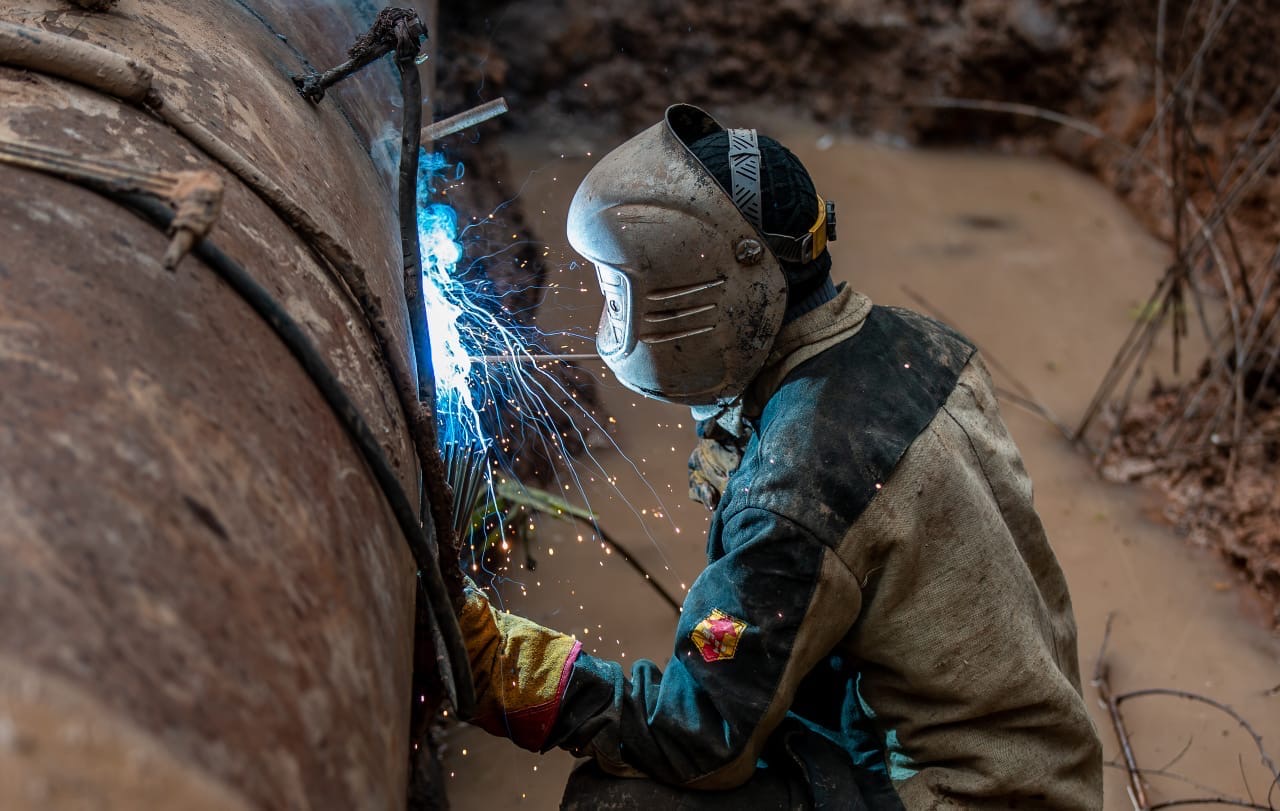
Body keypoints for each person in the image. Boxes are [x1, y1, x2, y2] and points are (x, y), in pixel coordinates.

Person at [458, 104, 1103, 809]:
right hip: (1049, 769)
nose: (608, 320)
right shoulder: (919, 346)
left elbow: (697, 739)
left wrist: (513, 669)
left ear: (701, 296)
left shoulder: (796, 486)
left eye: (619, 292)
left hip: (962, 794)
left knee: (617, 801)